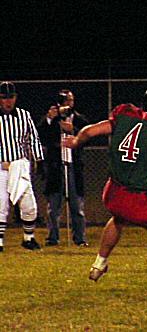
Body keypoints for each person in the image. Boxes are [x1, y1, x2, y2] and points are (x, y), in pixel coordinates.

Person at [62, 86, 147, 297]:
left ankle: (99, 264)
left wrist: (76, 141)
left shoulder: (125, 115)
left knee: (119, 218)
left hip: (112, 191)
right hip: (136, 197)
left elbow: (89, 131)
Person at [37, 89, 90, 247]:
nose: (69, 104)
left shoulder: (79, 119)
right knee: (53, 206)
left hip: (73, 166)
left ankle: (80, 238)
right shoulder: (51, 120)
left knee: (77, 206)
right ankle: (52, 237)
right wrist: (49, 119)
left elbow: (88, 137)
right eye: (65, 101)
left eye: (71, 101)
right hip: (56, 167)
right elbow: (40, 135)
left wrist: (73, 131)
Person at [0, 81, 45, 252]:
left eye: (11, 97)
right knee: (1, 204)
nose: (8, 101)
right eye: (4, 98)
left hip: (19, 165)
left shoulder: (24, 115)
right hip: (1, 167)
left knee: (29, 204)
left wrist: (39, 160)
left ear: (16, 97)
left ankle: (28, 238)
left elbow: (33, 139)